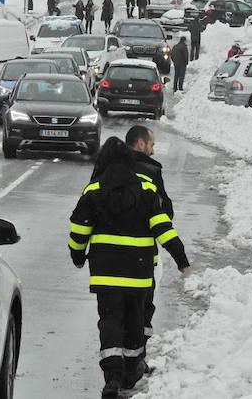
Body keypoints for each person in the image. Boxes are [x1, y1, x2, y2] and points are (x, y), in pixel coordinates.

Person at [69, 137, 190, 398]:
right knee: (135, 321)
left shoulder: (93, 190)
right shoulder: (146, 189)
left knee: (110, 320)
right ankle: (130, 372)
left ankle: (112, 376)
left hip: (106, 271)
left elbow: (79, 229)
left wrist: (78, 255)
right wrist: (181, 258)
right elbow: (162, 227)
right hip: (138, 271)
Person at [125, 126, 174, 364]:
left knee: (114, 314)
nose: (153, 151)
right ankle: (136, 362)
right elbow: (165, 212)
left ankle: (116, 367)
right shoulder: (151, 172)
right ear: (141, 144)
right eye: (152, 145)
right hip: (143, 258)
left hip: (109, 261)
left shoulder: (107, 169)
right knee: (142, 310)